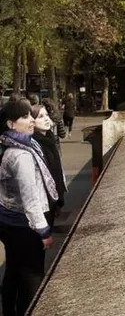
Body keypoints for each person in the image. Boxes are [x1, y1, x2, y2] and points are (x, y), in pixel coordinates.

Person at [0, 98, 58, 316]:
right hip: (24, 225)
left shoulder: (18, 146)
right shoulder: (21, 155)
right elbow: (30, 197)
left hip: (11, 221)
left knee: (14, 271)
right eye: (25, 116)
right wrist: (43, 231)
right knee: (32, 277)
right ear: (11, 125)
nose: (31, 120)